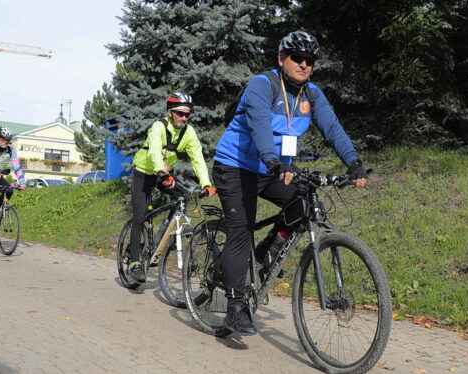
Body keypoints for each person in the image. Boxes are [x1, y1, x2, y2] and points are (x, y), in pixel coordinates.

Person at [212, 31, 368, 335]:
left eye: (310, 60)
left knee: (307, 204)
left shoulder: (311, 94)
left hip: (273, 166)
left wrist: (354, 163)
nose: (304, 64)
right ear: (281, 59)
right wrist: (273, 160)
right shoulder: (263, 84)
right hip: (236, 165)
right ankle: (234, 305)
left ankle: (264, 254)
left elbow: (332, 128)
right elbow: (258, 124)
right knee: (241, 231)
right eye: (297, 57)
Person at [127, 92, 216, 284]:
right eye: (179, 113)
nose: (184, 117)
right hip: (145, 172)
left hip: (164, 173)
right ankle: (135, 263)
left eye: (187, 114)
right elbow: (154, 151)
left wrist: (206, 183)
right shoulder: (158, 126)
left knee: (184, 196)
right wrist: (161, 171)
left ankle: (162, 237)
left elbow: (197, 158)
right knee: (140, 215)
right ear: (170, 112)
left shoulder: (188, 131)